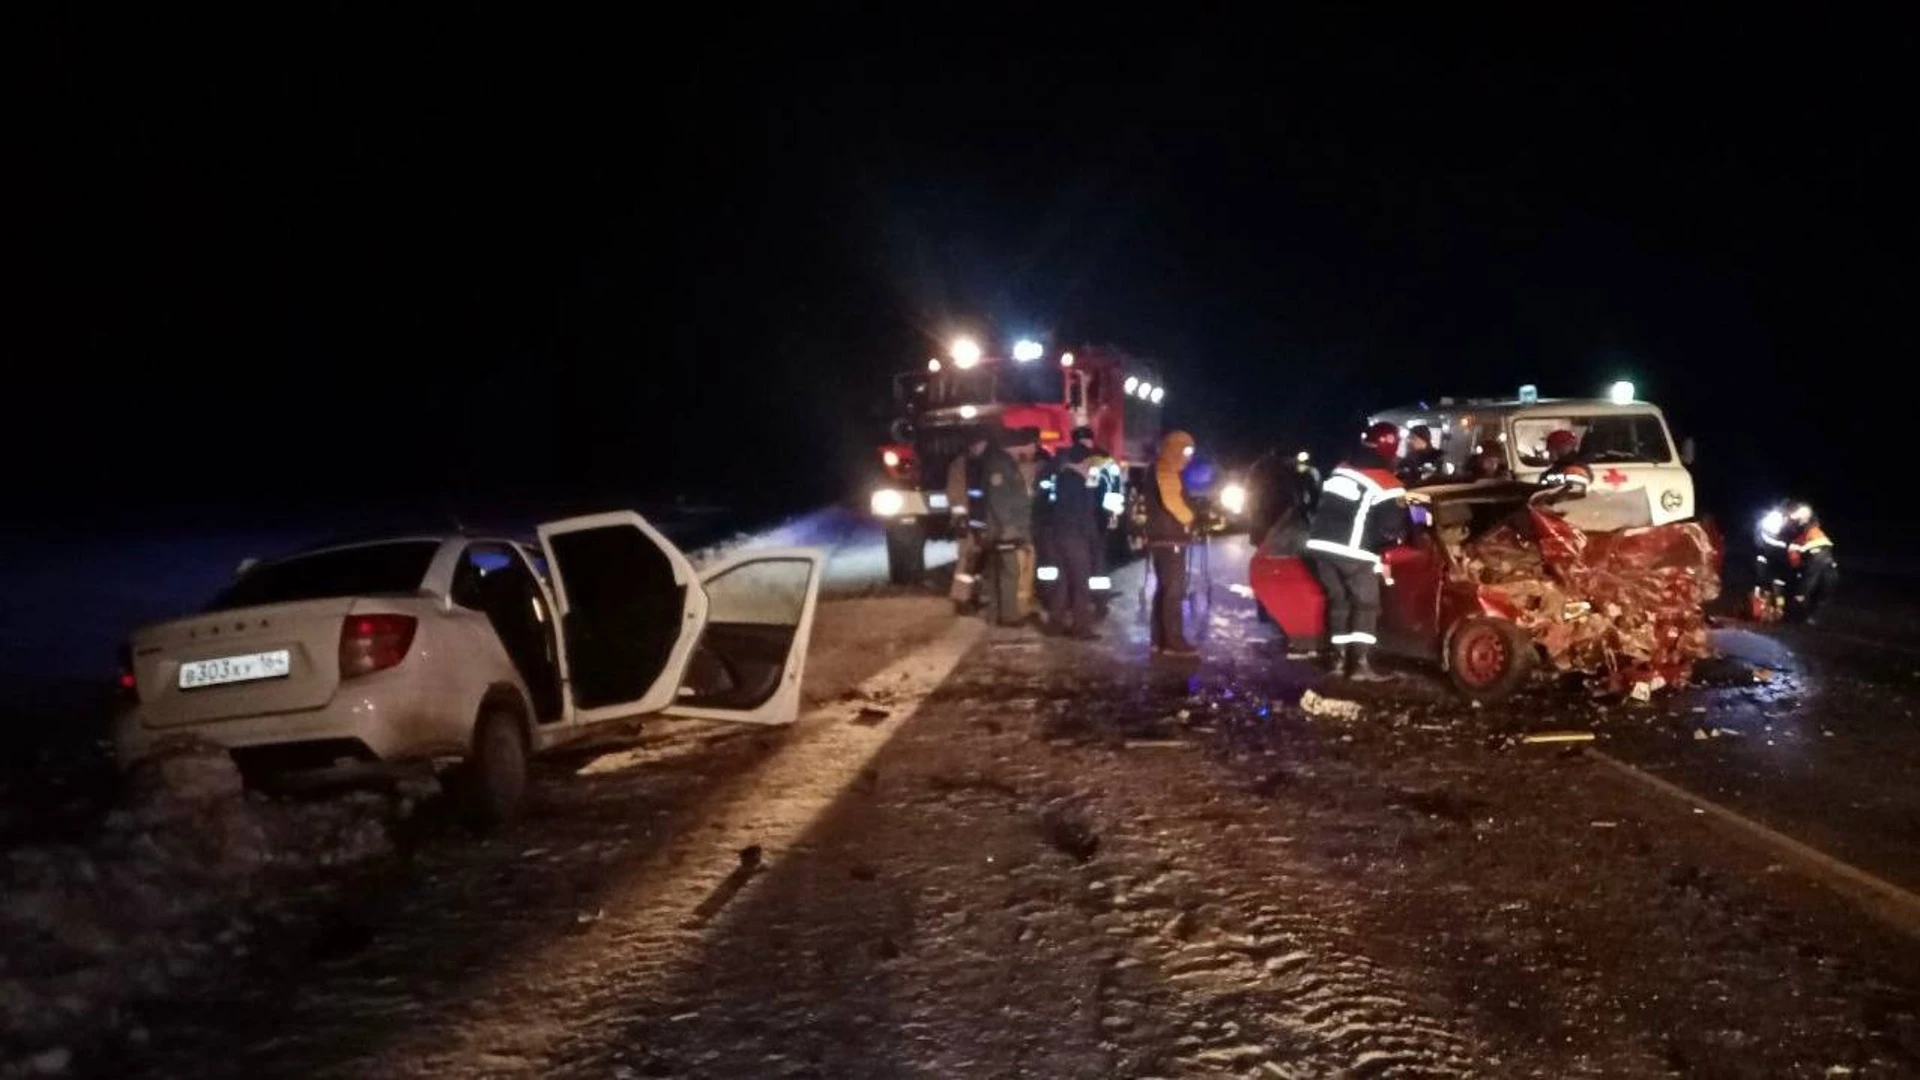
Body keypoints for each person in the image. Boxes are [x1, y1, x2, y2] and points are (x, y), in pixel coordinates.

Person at [1305, 422, 1409, 680]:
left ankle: (1339, 662)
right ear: (1391, 448)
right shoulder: (1388, 482)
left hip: (1319, 546)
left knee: (1339, 601)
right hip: (1353, 550)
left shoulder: (1340, 470)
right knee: (1366, 605)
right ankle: (1361, 666)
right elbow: (1391, 529)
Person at [1143, 430, 1199, 657]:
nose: (1188, 457)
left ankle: (1159, 639)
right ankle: (1174, 642)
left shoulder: (1156, 468)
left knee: (1164, 589)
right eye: (1185, 451)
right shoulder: (1165, 469)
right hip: (1170, 538)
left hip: (1161, 538)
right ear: (1173, 448)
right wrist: (1191, 518)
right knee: (1174, 591)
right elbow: (1172, 501)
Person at [1045, 445, 1106, 638]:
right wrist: (1093, 538)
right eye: (1089, 462)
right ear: (1083, 461)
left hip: (1059, 536)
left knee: (1062, 582)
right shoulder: (1078, 482)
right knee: (1081, 583)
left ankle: (1054, 625)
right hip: (1076, 538)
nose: (1091, 466)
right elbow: (1084, 514)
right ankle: (1081, 628)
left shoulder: (1062, 479)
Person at [981, 428, 1036, 626]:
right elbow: (999, 499)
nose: (1032, 450)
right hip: (1004, 530)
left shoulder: (1004, 463)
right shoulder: (1002, 465)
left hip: (1002, 528)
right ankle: (1009, 616)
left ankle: (996, 614)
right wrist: (1008, 526)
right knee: (1009, 571)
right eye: (1032, 446)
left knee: (999, 572)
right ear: (1021, 445)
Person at [1764, 502, 1837, 624]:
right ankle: (1792, 615)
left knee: (1824, 583)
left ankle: (1804, 616)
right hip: (1802, 565)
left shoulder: (1812, 533)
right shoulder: (1790, 535)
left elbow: (1812, 568)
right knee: (1795, 589)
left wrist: (1802, 591)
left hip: (1817, 565)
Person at [947, 433, 992, 610]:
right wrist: (960, 519)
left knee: (979, 561)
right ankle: (960, 598)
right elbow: (956, 493)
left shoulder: (981, 463)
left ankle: (974, 596)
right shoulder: (961, 465)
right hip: (966, 522)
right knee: (967, 560)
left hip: (979, 519)